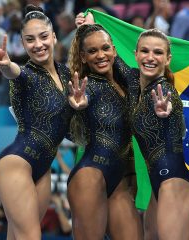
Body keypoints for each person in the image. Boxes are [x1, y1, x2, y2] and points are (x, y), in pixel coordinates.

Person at [0, 5, 74, 239]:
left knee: (18, 235)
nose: (38, 44)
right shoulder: (26, 74)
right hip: (17, 163)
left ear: (54, 36)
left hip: (43, 168)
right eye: (30, 39)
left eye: (43, 36)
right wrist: (6, 66)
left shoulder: (65, 74)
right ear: (23, 44)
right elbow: (15, 72)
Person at [112, 28, 189, 239]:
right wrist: (89, 23)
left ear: (168, 58)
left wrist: (167, 112)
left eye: (158, 53)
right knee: (149, 234)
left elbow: (173, 111)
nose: (150, 57)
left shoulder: (165, 92)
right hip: (159, 186)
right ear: (136, 54)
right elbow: (114, 59)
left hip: (177, 185)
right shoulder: (134, 82)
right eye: (145, 51)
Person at [65, 23, 143, 239]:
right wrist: (78, 103)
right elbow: (83, 96)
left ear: (114, 50)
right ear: (82, 57)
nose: (100, 55)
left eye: (105, 48)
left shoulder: (127, 82)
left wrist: (92, 27)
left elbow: (133, 77)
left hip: (118, 181)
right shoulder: (87, 86)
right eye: (92, 51)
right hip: (89, 176)